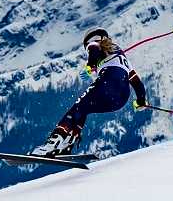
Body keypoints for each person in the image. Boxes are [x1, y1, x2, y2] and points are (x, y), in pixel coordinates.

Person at [31, 28, 147, 157]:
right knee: (84, 109)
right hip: (121, 99)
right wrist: (141, 101)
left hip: (107, 85)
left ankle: (51, 144)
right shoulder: (123, 58)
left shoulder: (94, 44)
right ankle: (68, 142)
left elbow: (94, 50)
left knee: (77, 108)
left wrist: (89, 66)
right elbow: (138, 84)